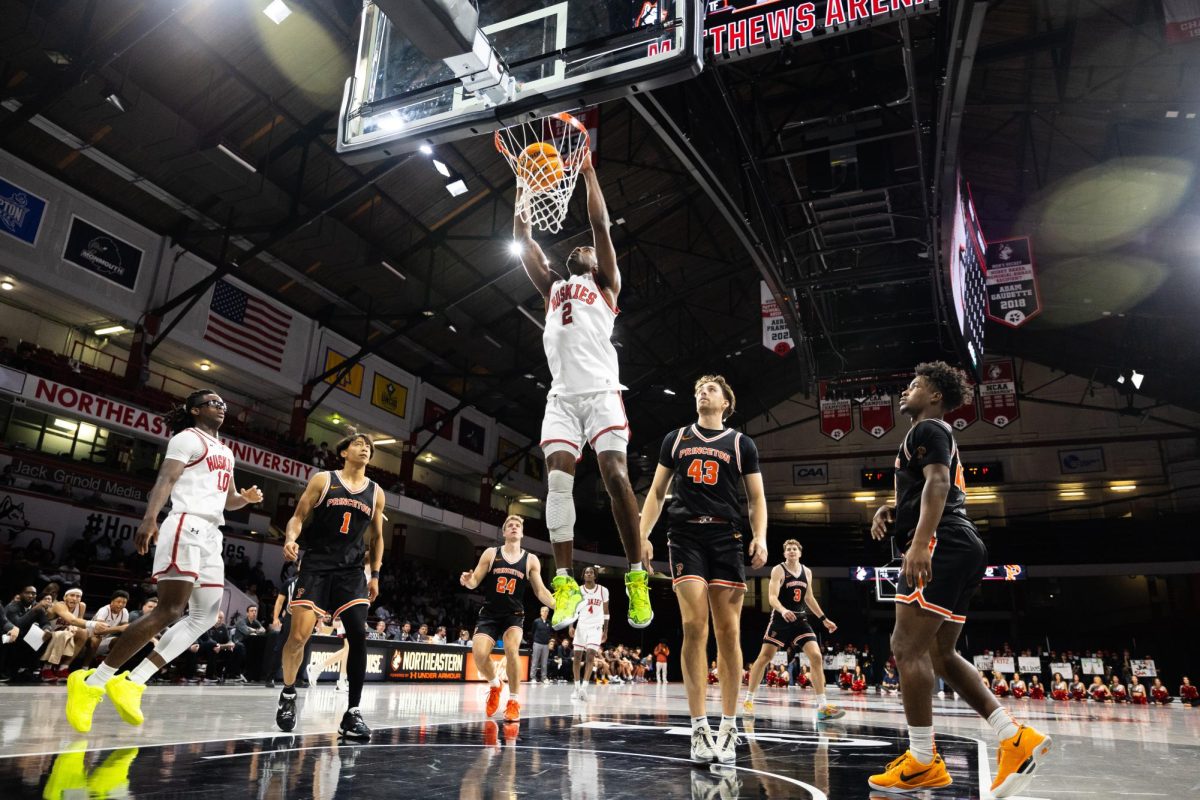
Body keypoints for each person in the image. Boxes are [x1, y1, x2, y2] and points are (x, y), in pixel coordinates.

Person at [867, 362, 1051, 796]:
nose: (905, 390)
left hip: (941, 543)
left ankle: (922, 760)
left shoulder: (928, 429)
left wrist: (918, 542)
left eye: (914, 385)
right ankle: (1014, 737)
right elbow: (931, 488)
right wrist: (893, 511)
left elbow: (939, 484)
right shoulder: (930, 436)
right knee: (941, 655)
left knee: (904, 648)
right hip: (963, 543)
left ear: (934, 397)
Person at [65, 389, 262, 733]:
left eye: (224, 405)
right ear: (195, 409)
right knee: (169, 610)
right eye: (214, 403)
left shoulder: (227, 452)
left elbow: (227, 499)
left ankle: (133, 682)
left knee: (203, 618)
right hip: (185, 524)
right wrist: (149, 518)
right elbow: (166, 479)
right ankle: (92, 682)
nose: (221, 408)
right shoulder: (186, 439)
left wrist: (243, 499)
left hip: (213, 533)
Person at [513, 154, 652, 631]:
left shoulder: (607, 285)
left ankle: (636, 577)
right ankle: (566, 582)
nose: (580, 249)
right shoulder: (552, 287)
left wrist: (590, 169)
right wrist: (523, 189)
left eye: (586, 251)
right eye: (574, 250)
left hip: (601, 392)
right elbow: (522, 239)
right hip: (562, 398)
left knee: (614, 475)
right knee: (556, 483)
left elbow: (598, 224)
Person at [639, 374, 767, 765]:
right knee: (695, 625)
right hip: (685, 536)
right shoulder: (676, 439)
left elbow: (757, 498)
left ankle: (728, 726)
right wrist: (642, 534)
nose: (702, 393)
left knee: (729, 632)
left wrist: (759, 536)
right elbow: (657, 492)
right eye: (697, 389)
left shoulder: (741, 443)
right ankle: (698, 728)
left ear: (726, 402)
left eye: (710, 389)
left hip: (726, 538)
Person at [276, 433, 384, 741]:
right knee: (298, 636)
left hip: (352, 572)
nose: (366, 449)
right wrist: (290, 539)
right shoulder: (323, 480)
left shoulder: (376, 492)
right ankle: (288, 692)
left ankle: (352, 713)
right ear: (344, 450)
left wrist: (374, 574)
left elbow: (377, 537)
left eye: (371, 448)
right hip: (317, 565)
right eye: (360, 444)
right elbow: (298, 517)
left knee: (358, 636)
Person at [459, 515, 555, 722]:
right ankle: (495, 685)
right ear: (503, 533)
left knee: (512, 650)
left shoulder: (530, 559)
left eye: (517, 525)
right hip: (490, 613)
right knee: (479, 654)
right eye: (510, 525)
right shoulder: (491, 553)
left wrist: (558, 606)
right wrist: (467, 581)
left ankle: (513, 701)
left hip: (514, 614)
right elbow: (475, 581)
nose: (514, 527)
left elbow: (540, 591)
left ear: (522, 533)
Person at [743, 539, 843, 721]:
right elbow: (772, 597)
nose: (791, 551)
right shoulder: (778, 570)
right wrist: (783, 610)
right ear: (784, 554)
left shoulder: (807, 572)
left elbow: (810, 598)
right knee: (765, 657)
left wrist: (824, 619)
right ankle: (749, 699)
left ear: (800, 553)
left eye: (794, 549)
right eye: (788, 549)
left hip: (800, 619)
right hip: (781, 618)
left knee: (816, 656)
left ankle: (822, 707)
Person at [569, 566, 608, 701]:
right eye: (586, 572)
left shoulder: (603, 590)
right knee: (577, 657)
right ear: (583, 575)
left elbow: (606, 613)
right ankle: (576, 687)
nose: (589, 574)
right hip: (581, 625)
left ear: (595, 576)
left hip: (596, 626)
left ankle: (584, 688)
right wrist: (571, 626)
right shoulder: (578, 591)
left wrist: (606, 630)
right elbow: (572, 610)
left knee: (590, 655)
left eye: (591, 572)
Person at [530, 606, 554, 684]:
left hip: (545, 645)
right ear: (540, 612)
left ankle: (544, 678)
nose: (544, 612)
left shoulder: (549, 623)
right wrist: (535, 640)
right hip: (537, 643)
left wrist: (548, 640)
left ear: (548, 613)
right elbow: (533, 631)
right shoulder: (536, 621)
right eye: (543, 611)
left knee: (544, 662)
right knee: (535, 661)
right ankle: (533, 677)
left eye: (546, 611)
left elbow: (550, 633)